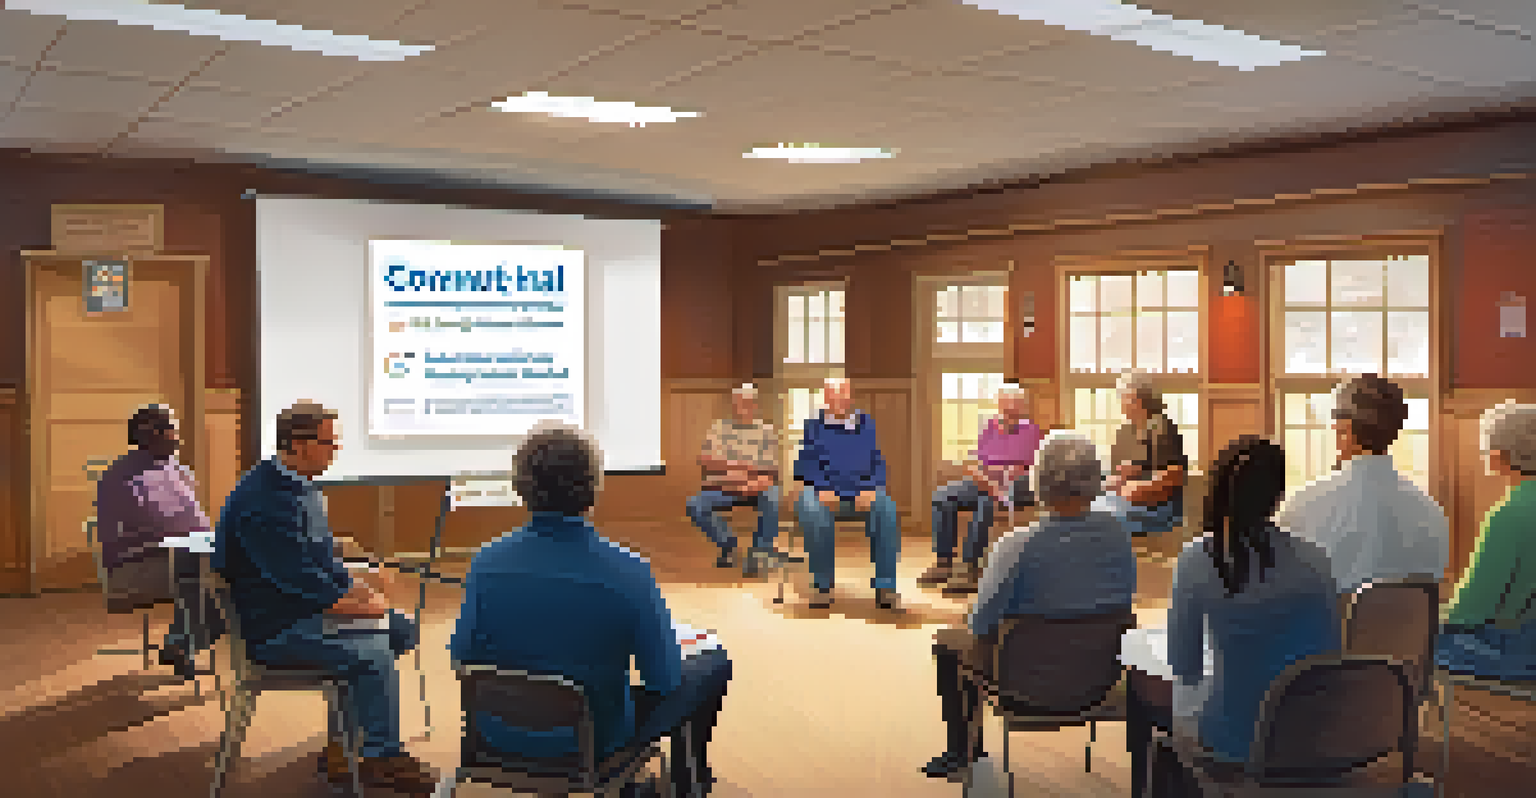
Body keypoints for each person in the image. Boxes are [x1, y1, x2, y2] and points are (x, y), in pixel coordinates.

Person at [452, 422, 732, 797]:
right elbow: (661, 680)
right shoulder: (628, 570)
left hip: (498, 733)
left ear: (520, 488)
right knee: (713, 663)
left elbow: (462, 654)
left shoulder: (484, 563)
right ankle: (684, 783)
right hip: (592, 741)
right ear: (594, 488)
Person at [212, 402, 435, 794]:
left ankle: (343, 745)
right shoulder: (264, 503)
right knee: (374, 651)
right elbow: (302, 584)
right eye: (329, 442)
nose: (336, 450)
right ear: (298, 444)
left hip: (299, 610)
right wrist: (366, 604)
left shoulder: (298, 485)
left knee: (401, 629)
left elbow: (320, 560)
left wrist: (358, 588)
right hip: (275, 627)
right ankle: (380, 757)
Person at [1125, 436, 1340, 798]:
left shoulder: (1199, 558)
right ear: (1278, 495)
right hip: (1312, 738)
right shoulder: (1316, 559)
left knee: (1142, 686)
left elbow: (1185, 666)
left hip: (1233, 744)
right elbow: (1329, 652)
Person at [923, 431, 1135, 779]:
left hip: (1022, 686)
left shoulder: (1015, 545)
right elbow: (1123, 601)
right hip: (1101, 683)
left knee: (948, 643)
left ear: (1039, 482)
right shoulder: (1119, 536)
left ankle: (963, 752)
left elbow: (980, 625)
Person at [1273, 374, 1449, 595]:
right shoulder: (1432, 513)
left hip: (1325, 618)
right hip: (1409, 619)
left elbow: (1280, 584)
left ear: (1344, 430)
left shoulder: (1301, 506)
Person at [95, 404, 225, 678]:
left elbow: (196, 522)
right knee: (206, 574)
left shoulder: (178, 470)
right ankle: (183, 642)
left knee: (231, 568)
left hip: (184, 557)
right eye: (171, 430)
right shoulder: (119, 477)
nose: (177, 438)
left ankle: (180, 642)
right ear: (148, 434)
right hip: (134, 565)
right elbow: (137, 529)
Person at [1436, 402, 1536, 680]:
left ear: (1497, 456)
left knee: (1418, 640)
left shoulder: (1510, 513)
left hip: (1519, 650)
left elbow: (1472, 607)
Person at [922, 385, 1045, 595]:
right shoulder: (989, 428)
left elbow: (1029, 468)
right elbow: (975, 462)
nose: (1009, 410)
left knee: (986, 502)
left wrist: (1001, 478)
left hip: (1014, 485)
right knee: (942, 497)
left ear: (1022, 407)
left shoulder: (1031, 431)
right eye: (1005, 404)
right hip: (985, 482)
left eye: (1014, 405)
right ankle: (944, 562)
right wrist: (982, 476)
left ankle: (970, 568)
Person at [793, 377, 902, 610]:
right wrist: (822, 487)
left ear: (850, 396)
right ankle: (822, 585)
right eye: (835, 393)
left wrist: (871, 487)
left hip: (861, 490)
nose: (840, 398)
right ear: (826, 397)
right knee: (812, 510)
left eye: (844, 392)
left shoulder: (865, 423)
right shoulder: (813, 425)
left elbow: (877, 461)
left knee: (887, 509)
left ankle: (886, 586)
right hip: (823, 490)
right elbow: (805, 463)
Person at [686, 383, 783, 576]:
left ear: (755, 404)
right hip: (724, 487)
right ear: (733, 404)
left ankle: (761, 551)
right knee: (695, 504)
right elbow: (707, 461)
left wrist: (737, 470)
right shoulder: (719, 428)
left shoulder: (766, 431)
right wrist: (744, 469)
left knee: (773, 495)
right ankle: (728, 544)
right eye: (739, 402)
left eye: (748, 402)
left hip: (755, 488)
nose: (743, 407)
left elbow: (769, 469)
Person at [1091, 371, 1188, 536]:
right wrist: (1126, 476)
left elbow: (1174, 476)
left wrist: (1137, 487)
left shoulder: (1162, 427)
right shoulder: (1129, 429)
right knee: (1092, 509)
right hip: (1135, 501)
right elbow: (1146, 467)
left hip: (1160, 510)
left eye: (1125, 397)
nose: (1122, 403)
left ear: (1140, 399)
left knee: (1100, 519)